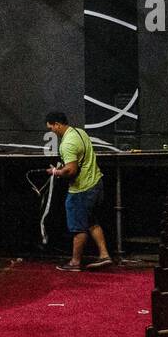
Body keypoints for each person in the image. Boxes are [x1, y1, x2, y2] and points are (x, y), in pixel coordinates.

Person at [45, 111, 112, 271]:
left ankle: (75, 263)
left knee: (78, 227)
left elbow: (72, 170)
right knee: (91, 222)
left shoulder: (67, 144)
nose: (51, 131)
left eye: (51, 127)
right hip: (96, 184)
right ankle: (104, 255)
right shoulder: (79, 132)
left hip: (81, 190)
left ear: (57, 124)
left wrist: (56, 172)